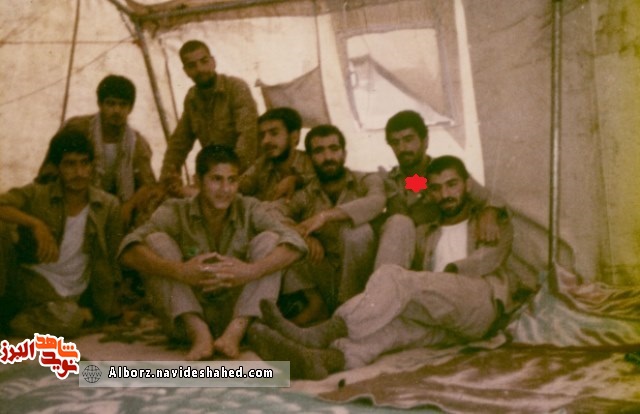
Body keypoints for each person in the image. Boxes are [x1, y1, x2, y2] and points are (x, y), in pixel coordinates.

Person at [251, 156, 520, 380]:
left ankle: (319, 332)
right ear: (430, 192)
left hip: (479, 305)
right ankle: (323, 360)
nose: (445, 194)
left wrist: (490, 207)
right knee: (388, 331)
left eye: (452, 185)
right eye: (437, 188)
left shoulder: (490, 221)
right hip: (442, 319)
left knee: (396, 278)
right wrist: (297, 178)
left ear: (467, 185)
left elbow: (489, 257)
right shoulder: (426, 230)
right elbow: (401, 189)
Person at [119, 145, 307, 361]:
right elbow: (128, 249)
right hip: (186, 316)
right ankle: (199, 333)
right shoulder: (175, 210)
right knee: (155, 241)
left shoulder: (248, 208)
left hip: (238, 314)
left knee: (271, 240)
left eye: (232, 180)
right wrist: (180, 271)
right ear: (198, 181)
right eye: (216, 179)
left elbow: (296, 242)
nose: (225, 189)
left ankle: (234, 334)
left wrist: (250, 271)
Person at [0, 129, 122, 337]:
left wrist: (112, 306)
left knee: (69, 321)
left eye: (84, 163)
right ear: (57, 167)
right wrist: (36, 224)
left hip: (68, 295)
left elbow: (112, 260)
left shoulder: (108, 206)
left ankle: (10, 321)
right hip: (29, 282)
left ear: (92, 166)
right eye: (70, 164)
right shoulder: (39, 194)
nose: (79, 172)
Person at [271, 125, 386, 318]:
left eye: (334, 149)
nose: (328, 157)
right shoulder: (307, 193)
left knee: (358, 232)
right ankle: (317, 309)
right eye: (319, 151)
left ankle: (353, 313)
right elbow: (269, 211)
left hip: (364, 283)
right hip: (326, 280)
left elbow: (377, 200)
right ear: (310, 159)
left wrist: (325, 216)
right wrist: (303, 234)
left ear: (344, 153)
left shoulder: (364, 181)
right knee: (279, 239)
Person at [374, 110, 504, 269]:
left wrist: (489, 213)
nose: (402, 148)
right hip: (402, 256)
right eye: (395, 142)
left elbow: (490, 198)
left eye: (408, 139)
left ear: (425, 141)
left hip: (436, 253)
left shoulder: (444, 172)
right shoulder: (389, 180)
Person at [36, 75, 156, 229]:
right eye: (111, 104)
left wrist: (128, 206)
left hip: (113, 208)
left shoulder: (137, 143)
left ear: (130, 108)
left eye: (123, 105)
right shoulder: (77, 128)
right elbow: (50, 167)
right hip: (71, 199)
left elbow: (147, 184)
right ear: (100, 104)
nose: (117, 110)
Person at [160, 40, 258, 187]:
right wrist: (167, 178)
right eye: (192, 65)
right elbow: (179, 143)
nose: (200, 69)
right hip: (217, 176)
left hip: (246, 173)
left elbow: (248, 136)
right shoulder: (192, 99)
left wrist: (228, 175)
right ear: (186, 71)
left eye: (204, 61)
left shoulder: (235, 88)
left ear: (213, 62)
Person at [239, 107, 314, 201]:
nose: (265, 141)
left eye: (274, 133)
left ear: (294, 137)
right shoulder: (262, 163)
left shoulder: (311, 163)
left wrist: (297, 180)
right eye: (262, 135)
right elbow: (239, 187)